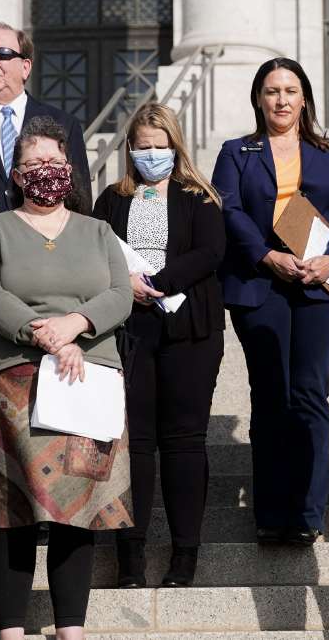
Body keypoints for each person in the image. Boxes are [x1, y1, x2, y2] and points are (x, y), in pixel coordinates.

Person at [0, 115, 132, 640]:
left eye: (56, 163)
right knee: (10, 509)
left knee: (75, 511)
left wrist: (75, 325)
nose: (47, 172)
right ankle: (12, 630)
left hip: (88, 380)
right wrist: (42, 333)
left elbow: (119, 294)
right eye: (34, 163)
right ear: (16, 174)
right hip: (13, 379)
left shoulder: (98, 230)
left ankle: (70, 630)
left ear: (71, 170)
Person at [211, 57, 329, 545]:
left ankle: (307, 513)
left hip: (318, 286)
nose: (281, 100)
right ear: (259, 98)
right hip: (261, 285)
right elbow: (229, 209)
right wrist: (266, 255)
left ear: (305, 99)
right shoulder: (237, 151)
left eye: (291, 91)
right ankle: (271, 513)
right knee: (271, 394)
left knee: (309, 393)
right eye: (272, 91)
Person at [91, 103, 225, 588]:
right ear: (129, 149)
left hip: (191, 331)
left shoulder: (199, 196)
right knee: (135, 445)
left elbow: (211, 252)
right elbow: (96, 250)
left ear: (176, 146)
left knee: (185, 441)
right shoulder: (111, 198)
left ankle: (183, 557)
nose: (151, 155)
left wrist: (160, 281)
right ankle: (130, 557)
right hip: (130, 331)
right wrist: (127, 282)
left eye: (159, 146)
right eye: (143, 147)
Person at [0, 22, 91, 212]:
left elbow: (80, 201)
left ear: (25, 67)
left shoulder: (63, 124)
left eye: (2, 54)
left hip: (42, 238)